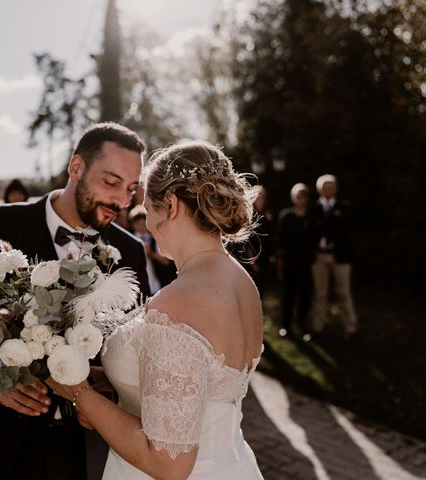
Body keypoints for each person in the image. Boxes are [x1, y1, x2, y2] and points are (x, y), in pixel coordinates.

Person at [0, 122, 151, 480]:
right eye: (111, 183)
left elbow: (134, 345)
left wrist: (107, 384)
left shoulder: (129, 252)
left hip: (84, 449)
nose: (120, 201)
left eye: (130, 189)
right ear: (76, 167)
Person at [48, 141, 265, 479]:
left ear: (172, 206)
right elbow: (199, 379)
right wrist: (115, 379)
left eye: (148, 208)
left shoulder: (178, 303)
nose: (147, 221)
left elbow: (168, 462)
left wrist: (78, 393)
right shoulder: (242, 283)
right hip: (230, 463)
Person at [309, 174, 357, 338]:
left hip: (340, 257)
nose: (328, 190)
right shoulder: (313, 209)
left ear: (336, 189)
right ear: (318, 190)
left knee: (344, 292)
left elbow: (349, 232)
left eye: (331, 186)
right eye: (324, 187)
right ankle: (317, 328)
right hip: (319, 257)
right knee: (320, 293)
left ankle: (350, 328)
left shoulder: (345, 208)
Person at [275, 183, 314, 339]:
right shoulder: (286, 216)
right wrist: (279, 258)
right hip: (289, 262)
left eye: (303, 196)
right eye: (298, 196)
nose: (300, 200)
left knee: (305, 294)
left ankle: (302, 324)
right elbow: (279, 239)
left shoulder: (312, 216)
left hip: (307, 262)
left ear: (307, 198)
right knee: (288, 294)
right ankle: (286, 325)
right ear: (293, 198)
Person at [128, 204, 176, 293]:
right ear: (133, 224)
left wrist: (151, 253)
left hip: (156, 285)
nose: (141, 226)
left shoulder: (155, 239)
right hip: (135, 286)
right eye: (138, 223)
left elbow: (167, 262)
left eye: (143, 223)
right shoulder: (128, 241)